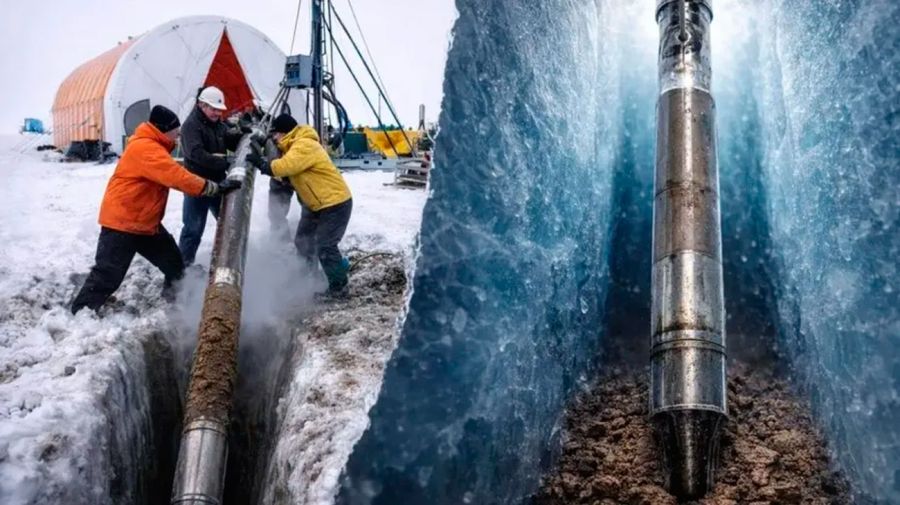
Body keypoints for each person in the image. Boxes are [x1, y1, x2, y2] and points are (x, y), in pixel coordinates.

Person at [71, 105, 240, 314]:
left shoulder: (152, 146)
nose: (178, 136)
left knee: (174, 263)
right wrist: (212, 187)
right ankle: (82, 311)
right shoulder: (146, 148)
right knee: (108, 273)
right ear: (163, 130)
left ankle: (175, 299)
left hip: (145, 223)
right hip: (123, 223)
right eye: (175, 132)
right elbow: (175, 175)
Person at [246, 114, 353, 297]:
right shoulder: (293, 145)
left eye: (276, 134)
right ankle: (307, 277)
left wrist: (262, 164)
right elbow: (290, 175)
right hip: (316, 205)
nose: (274, 138)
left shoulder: (304, 144)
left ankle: (339, 287)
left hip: (334, 203)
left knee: (325, 245)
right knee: (303, 241)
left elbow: (284, 167)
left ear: (284, 133)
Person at [177, 86, 245, 265]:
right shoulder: (191, 127)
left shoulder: (217, 124)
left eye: (219, 110)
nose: (217, 113)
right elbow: (196, 154)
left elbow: (227, 139)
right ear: (202, 105)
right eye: (214, 109)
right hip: (197, 185)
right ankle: (183, 269)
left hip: (219, 181)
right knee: (193, 229)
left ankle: (230, 261)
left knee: (227, 222)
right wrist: (226, 162)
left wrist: (242, 136)